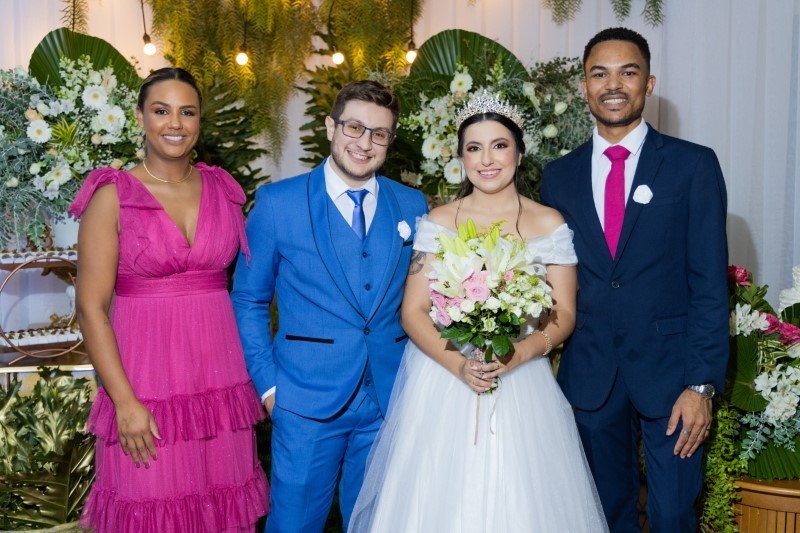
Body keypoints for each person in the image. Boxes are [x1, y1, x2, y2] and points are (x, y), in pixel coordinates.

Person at [349, 92, 609, 532]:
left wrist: (519, 353)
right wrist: (459, 365)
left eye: (499, 145)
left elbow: (564, 313)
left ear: (519, 154)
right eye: (474, 148)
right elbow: (413, 311)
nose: (487, 159)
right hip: (444, 379)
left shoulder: (550, 224)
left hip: (522, 380)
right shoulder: (438, 222)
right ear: (461, 158)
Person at [541, 27, 729, 532]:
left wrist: (701, 384)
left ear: (649, 83)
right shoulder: (557, 176)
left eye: (628, 72)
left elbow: (710, 284)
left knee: (671, 515)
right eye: (599, 74)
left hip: (673, 377)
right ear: (584, 86)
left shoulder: (692, 165)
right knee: (603, 515)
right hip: (590, 374)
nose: (613, 85)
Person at [72, 67, 268, 533]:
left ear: (200, 120)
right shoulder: (112, 196)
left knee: (221, 511)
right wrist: (124, 402)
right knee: (152, 509)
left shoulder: (223, 190)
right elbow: (90, 309)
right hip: (145, 385)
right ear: (140, 116)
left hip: (217, 387)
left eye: (187, 112)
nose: (175, 123)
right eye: (161, 111)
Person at [231, 80, 428, 532]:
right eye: (354, 127)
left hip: (387, 399)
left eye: (379, 133)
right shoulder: (278, 204)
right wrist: (269, 387)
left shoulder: (411, 204)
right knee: (295, 524)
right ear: (330, 127)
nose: (364, 143)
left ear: (390, 140)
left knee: (378, 523)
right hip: (303, 400)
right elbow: (248, 299)